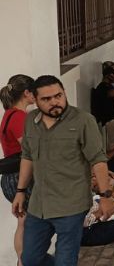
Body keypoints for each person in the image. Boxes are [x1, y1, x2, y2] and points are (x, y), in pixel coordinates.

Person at [13, 75, 114, 266]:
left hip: (71, 206)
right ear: (34, 100)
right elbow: (27, 156)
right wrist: (20, 191)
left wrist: (105, 196)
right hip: (39, 205)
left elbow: (98, 161)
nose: (54, 102)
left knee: (65, 261)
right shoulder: (30, 121)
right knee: (29, 259)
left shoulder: (83, 121)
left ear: (64, 93)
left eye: (58, 96)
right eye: (46, 99)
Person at [1, 75, 34, 265]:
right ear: (26, 93)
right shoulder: (19, 117)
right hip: (18, 177)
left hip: (11, 178)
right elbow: (30, 151)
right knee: (29, 223)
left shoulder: (9, 114)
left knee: (24, 222)